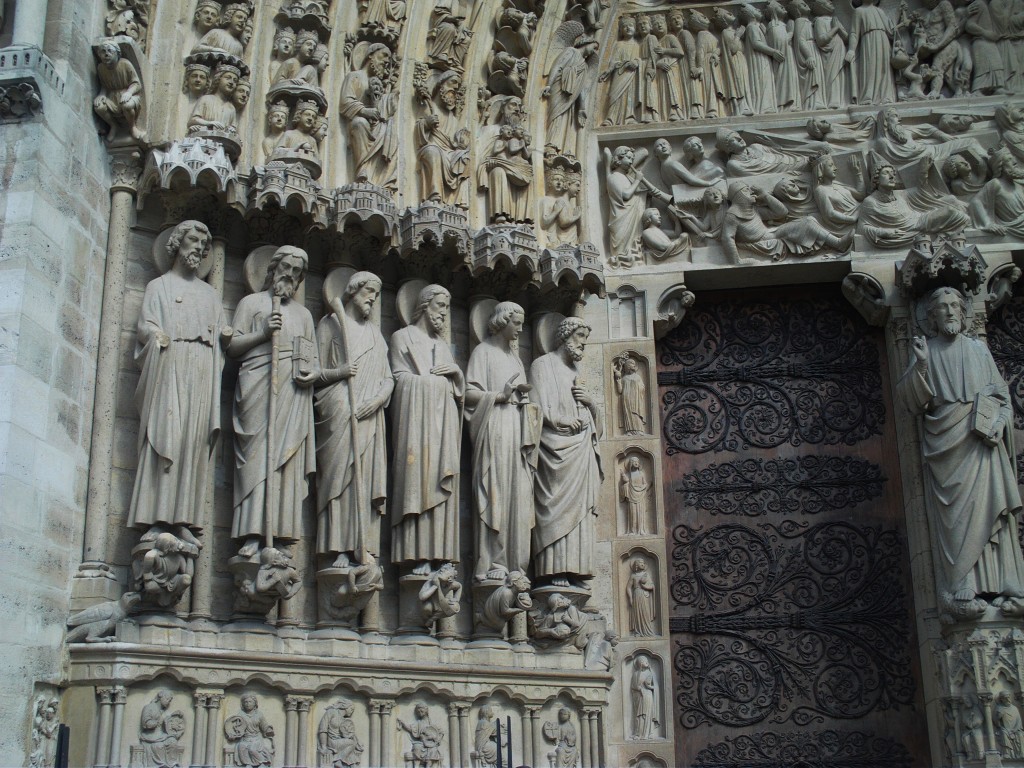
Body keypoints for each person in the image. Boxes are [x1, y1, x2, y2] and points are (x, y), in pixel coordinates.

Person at [897, 287, 1024, 620]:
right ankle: (960, 584)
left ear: (965, 313)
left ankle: (1008, 585)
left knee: (993, 510)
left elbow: (1002, 399)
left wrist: (998, 422)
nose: (950, 312)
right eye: (942, 308)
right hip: (946, 444)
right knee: (955, 516)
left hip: (982, 442)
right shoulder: (927, 351)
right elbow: (912, 402)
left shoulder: (979, 350)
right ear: (932, 317)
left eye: (955, 305)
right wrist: (921, 365)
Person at [130, 221, 226, 543]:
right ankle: (156, 516)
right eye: (194, 239)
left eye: (204, 243)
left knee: (192, 445)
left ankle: (183, 517)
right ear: (177, 243)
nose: (199, 247)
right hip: (169, 363)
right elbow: (145, 324)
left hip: (200, 371)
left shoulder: (211, 295)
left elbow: (222, 337)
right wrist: (156, 334)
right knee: (166, 438)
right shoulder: (159, 286)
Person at [226, 247, 319, 558]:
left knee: (285, 464)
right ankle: (252, 534)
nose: (290, 275)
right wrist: (263, 332)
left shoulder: (304, 315)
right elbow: (233, 347)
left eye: (297, 271)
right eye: (286, 267)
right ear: (273, 267)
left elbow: (311, 358)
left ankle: (279, 534)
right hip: (257, 385)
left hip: (291, 394)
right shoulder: (251, 303)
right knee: (256, 461)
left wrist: (309, 373)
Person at [315, 272, 392, 568]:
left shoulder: (375, 334)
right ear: (352, 292)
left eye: (376, 293)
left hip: (370, 417)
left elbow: (388, 379)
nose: (372, 298)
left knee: (365, 484)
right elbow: (315, 373)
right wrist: (340, 372)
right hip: (338, 411)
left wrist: (375, 402)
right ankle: (337, 548)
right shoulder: (330, 325)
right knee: (339, 482)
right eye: (368, 291)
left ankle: (364, 546)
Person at [390, 285, 463, 572]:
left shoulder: (443, 346)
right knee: (416, 483)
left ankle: (439, 555)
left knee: (442, 484)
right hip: (415, 428)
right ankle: (415, 554)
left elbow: (459, 395)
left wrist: (456, 375)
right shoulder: (401, 337)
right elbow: (398, 379)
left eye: (447, 307)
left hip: (443, 430)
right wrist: (433, 385)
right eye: (440, 306)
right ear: (424, 305)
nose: (444, 313)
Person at [465, 302, 539, 580]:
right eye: (516, 323)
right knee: (495, 493)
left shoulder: (516, 359)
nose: (520, 329)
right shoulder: (483, 353)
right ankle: (492, 563)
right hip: (494, 428)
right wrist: (499, 395)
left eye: (522, 324)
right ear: (502, 321)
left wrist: (526, 402)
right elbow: (467, 393)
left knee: (517, 497)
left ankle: (515, 564)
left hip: (517, 433)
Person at [530, 318, 603, 586]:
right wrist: (560, 421)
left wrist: (591, 405)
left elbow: (593, 420)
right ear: (566, 335)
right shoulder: (542, 365)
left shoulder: (576, 372)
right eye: (580, 335)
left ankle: (578, 569)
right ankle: (554, 570)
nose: (584, 342)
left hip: (580, 450)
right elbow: (535, 408)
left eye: (585, 336)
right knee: (554, 507)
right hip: (554, 450)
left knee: (581, 512)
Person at [93, 41, 145, 141]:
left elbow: (137, 84)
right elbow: (104, 85)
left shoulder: (125, 64)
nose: (106, 54)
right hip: (112, 96)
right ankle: (114, 126)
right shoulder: (101, 68)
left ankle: (132, 127)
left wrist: (129, 93)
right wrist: (101, 94)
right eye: (103, 52)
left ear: (117, 53)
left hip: (129, 94)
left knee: (127, 105)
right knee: (99, 107)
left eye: (110, 51)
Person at [225, 695, 274, 766]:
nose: (248, 704)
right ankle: (247, 764)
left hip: (255, 739)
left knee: (252, 749)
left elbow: (264, 726)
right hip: (245, 738)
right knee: (241, 747)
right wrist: (233, 734)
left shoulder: (259, 715)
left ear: (255, 703)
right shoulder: (240, 715)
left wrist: (268, 730)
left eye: (250, 702)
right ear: (243, 704)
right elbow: (236, 728)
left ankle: (261, 762)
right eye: (246, 702)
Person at [138, 690, 185, 766]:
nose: (168, 702)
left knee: (172, 741)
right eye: (167, 699)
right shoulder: (149, 707)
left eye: (170, 701)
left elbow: (166, 725)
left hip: (160, 735)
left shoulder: (162, 711)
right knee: (159, 746)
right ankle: (160, 765)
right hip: (150, 736)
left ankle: (172, 764)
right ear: (161, 698)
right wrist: (156, 722)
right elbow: (145, 723)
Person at [317, 698, 364, 768]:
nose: (352, 711)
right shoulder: (331, 712)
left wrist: (350, 735)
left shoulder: (344, 720)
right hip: (332, 741)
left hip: (340, 742)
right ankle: (338, 760)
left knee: (353, 746)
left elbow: (345, 733)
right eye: (351, 709)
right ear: (346, 707)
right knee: (352, 743)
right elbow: (323, 729)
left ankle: (343, 761)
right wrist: (323, 746)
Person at [620, 459, 651, 535]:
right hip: (631, 495)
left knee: (640, 513)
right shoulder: (628, 474)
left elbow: (645, 483)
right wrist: (623, 476)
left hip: (640, 494)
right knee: (632, 513)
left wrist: (642, 488)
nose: (636, 463)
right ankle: (632, 531)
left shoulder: (641, 473)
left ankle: (641, 530)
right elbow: (626, 481)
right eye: (634, 462)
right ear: (631, 464)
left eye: (637, 462)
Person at [627, 558, 657, 635]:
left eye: (643, 562)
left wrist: (645, 586)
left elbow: (652, 586)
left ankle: (648, 631)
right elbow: (628, 587)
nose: (642, 564)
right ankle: (638, 631)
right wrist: (630, 598)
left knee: (645, 613)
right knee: (637, 613)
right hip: (636, 595)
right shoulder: (633, 575)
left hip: (644, 595)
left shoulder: (646, 575)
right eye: (640, 562)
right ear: (636, 565)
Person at [630, 655, 658, 739]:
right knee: (639, 716)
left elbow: (655, 687)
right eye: (645, 662)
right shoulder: (635, 674)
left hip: (648, 696)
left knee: (647, 715)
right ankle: (638, 733)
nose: (647, 663)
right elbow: (633, 686)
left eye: (647, 661)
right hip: (639, 696)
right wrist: (638, 688)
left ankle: (648, 733)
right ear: (640, 663)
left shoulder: (650, 673)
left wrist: (649, 687)